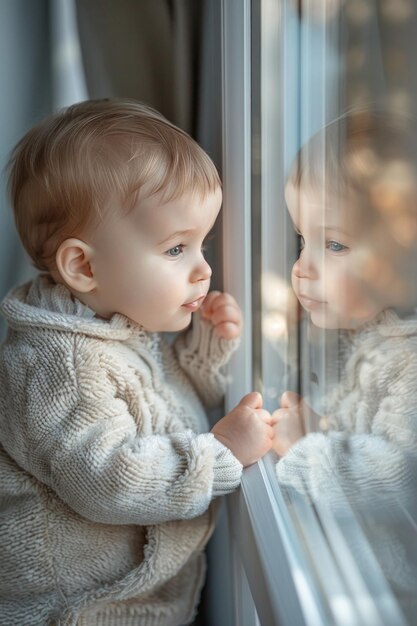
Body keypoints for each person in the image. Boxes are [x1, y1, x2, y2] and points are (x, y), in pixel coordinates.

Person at [0, 99, 274, 626]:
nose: (203, 269)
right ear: (82, 265)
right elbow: (111, 479)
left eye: (203, 244)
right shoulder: (64, 366)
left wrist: (202, 351)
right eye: (176, 249)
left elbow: (159, 406)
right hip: (75, 611)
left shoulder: (108, 320)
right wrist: (219, 453)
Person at [273, 109, 417, 619]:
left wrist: (306, 447)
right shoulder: (371, 327)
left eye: (333, 244)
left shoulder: (409, 363)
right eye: (301, 240)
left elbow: (397, 474)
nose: (301, 267)